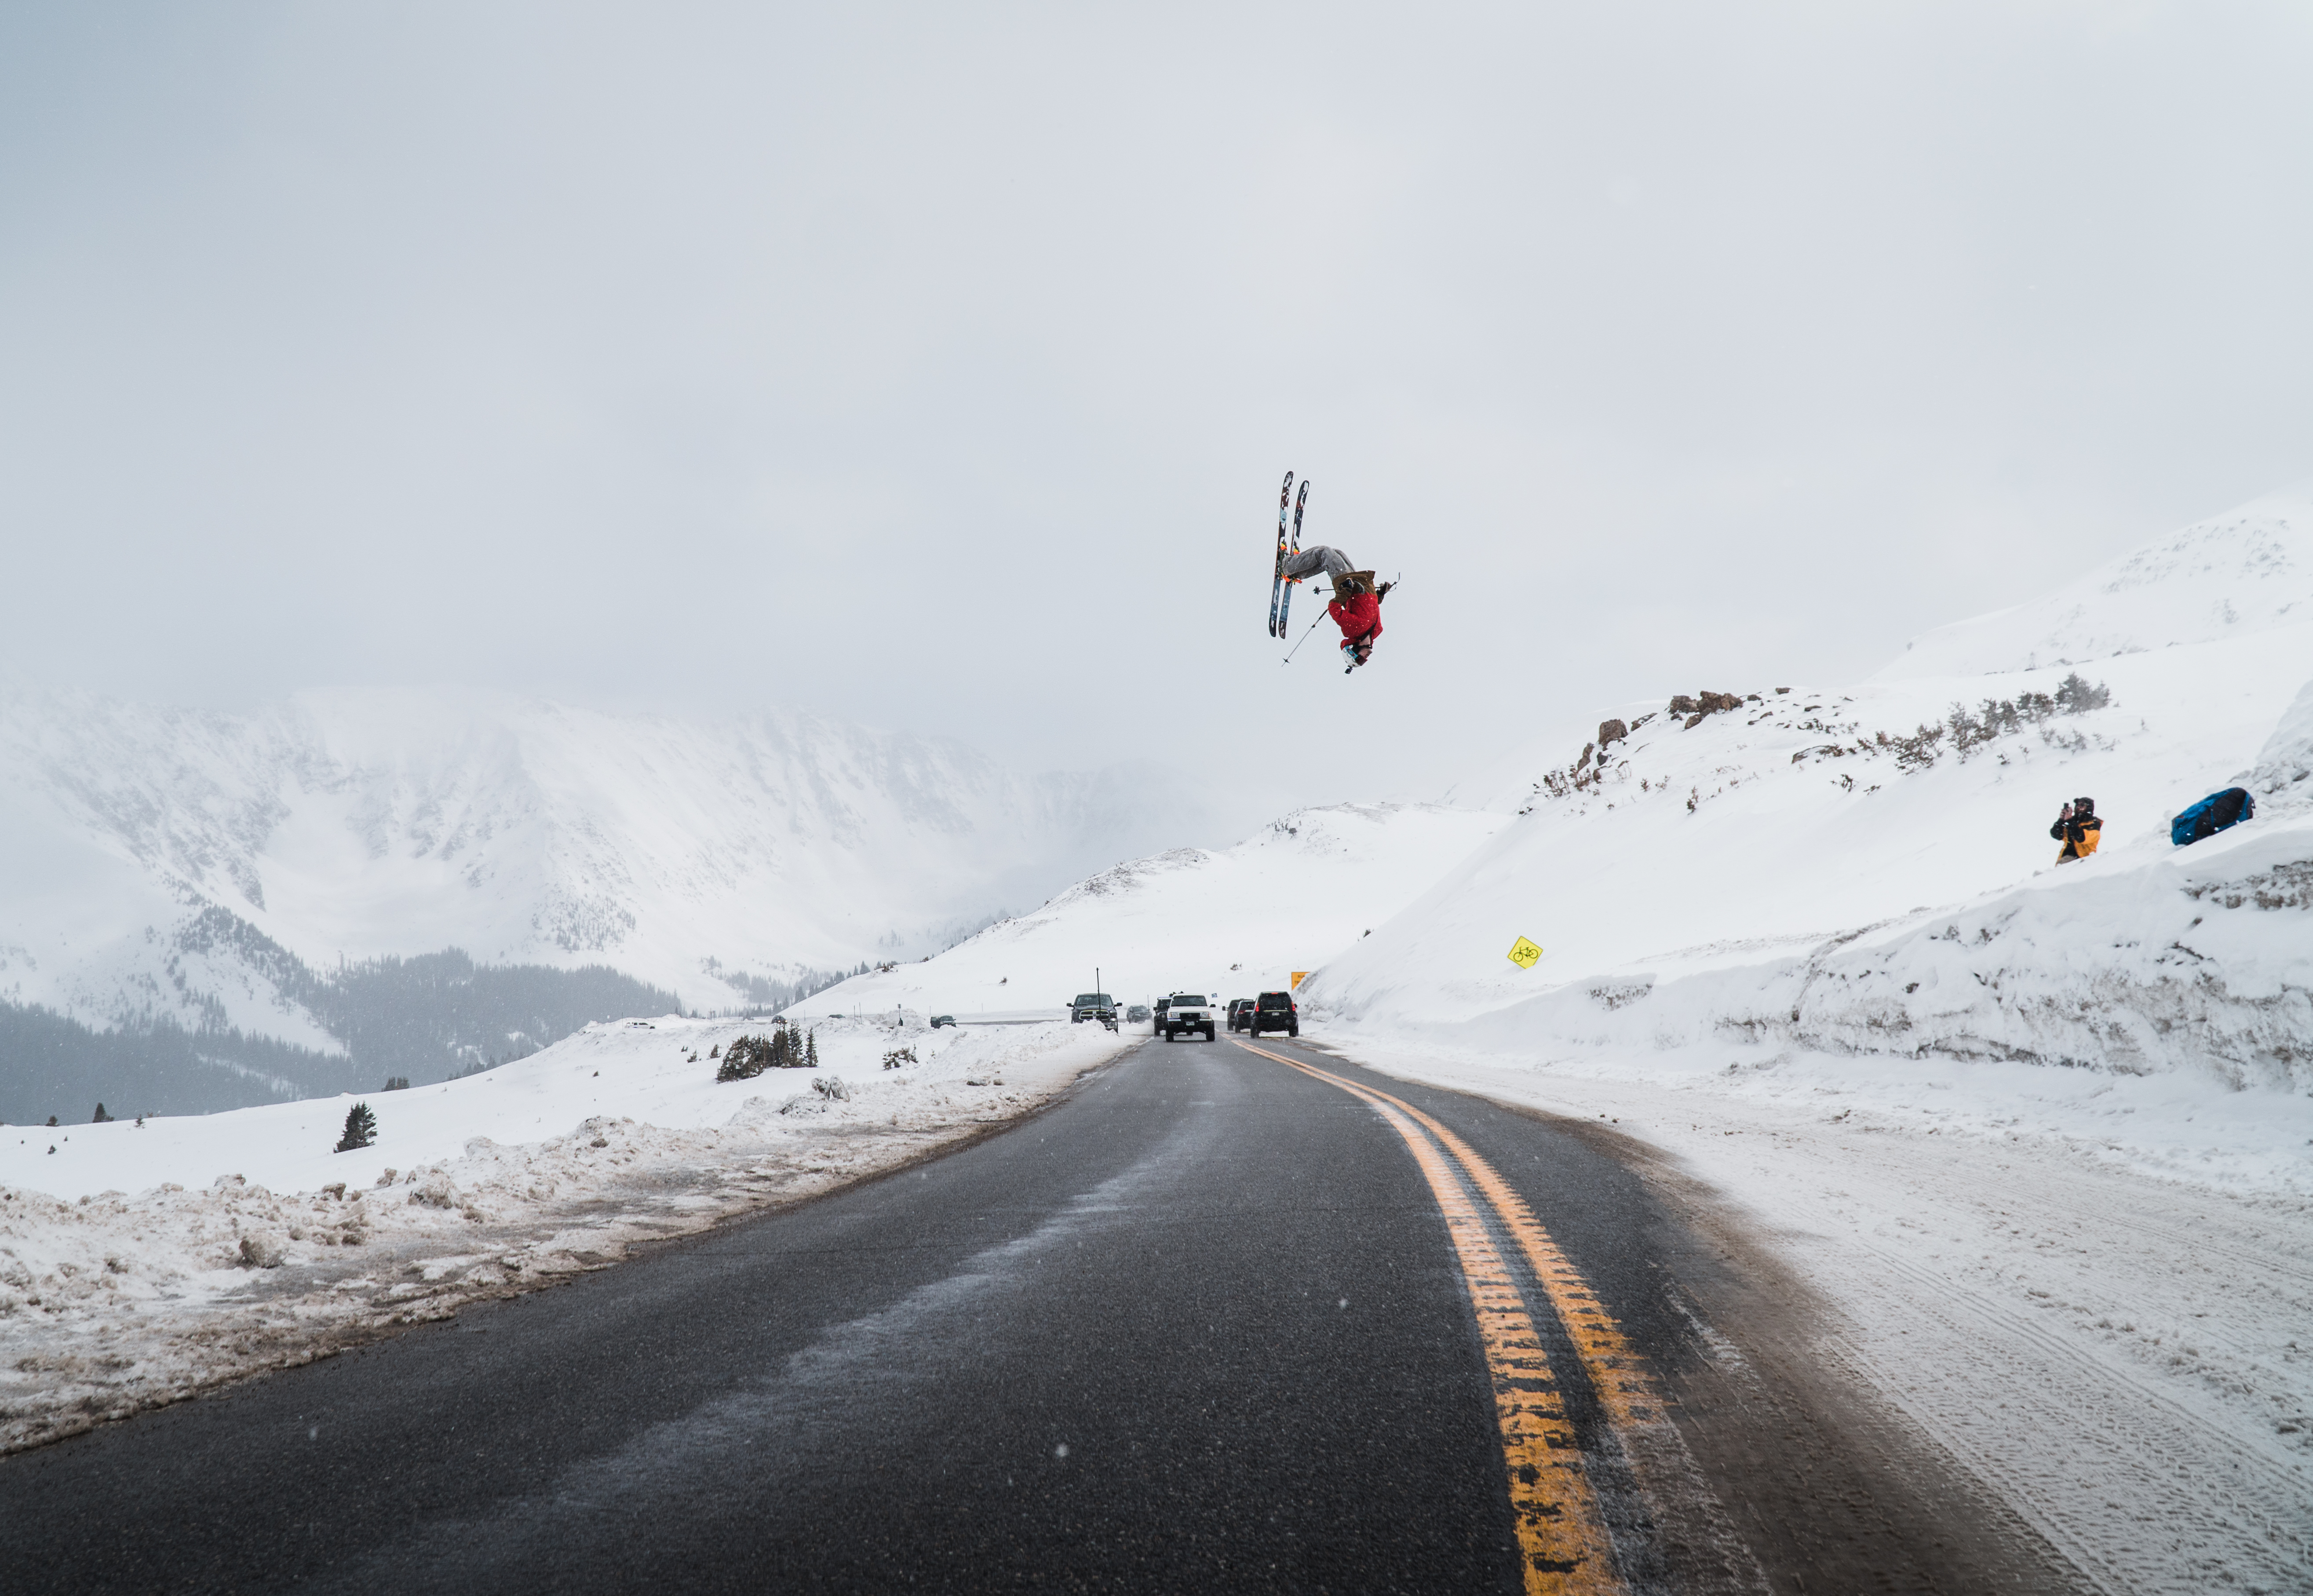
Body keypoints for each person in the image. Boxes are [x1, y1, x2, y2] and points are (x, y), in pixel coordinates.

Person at [1280, 546, 1392, 669]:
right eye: (1363, 661)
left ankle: (1286, 567)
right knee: (1337, 553)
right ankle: (1295, 572)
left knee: (1324, 553)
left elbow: (1334, 610)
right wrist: (1380, 595)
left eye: (1361, 659)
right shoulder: (1377, 631)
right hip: (1361, 583)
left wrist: (1344, 593)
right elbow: (1369, 609)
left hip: (1347, 584)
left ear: (1354, 649)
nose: (1366, 658)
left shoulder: (1354, 630)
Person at [2050, 796, 2101, 864]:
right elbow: (2056, 835)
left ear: (2089, 808)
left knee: (2062, 864)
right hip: (2067, 861)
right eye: (2077, 804)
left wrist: (2070, 820)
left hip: (2083, 861)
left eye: (2082, 805)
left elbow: (2081, 837)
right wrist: (2061, 820)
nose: (2078, 807)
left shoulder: (2094, 825)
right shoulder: (2074, 823)